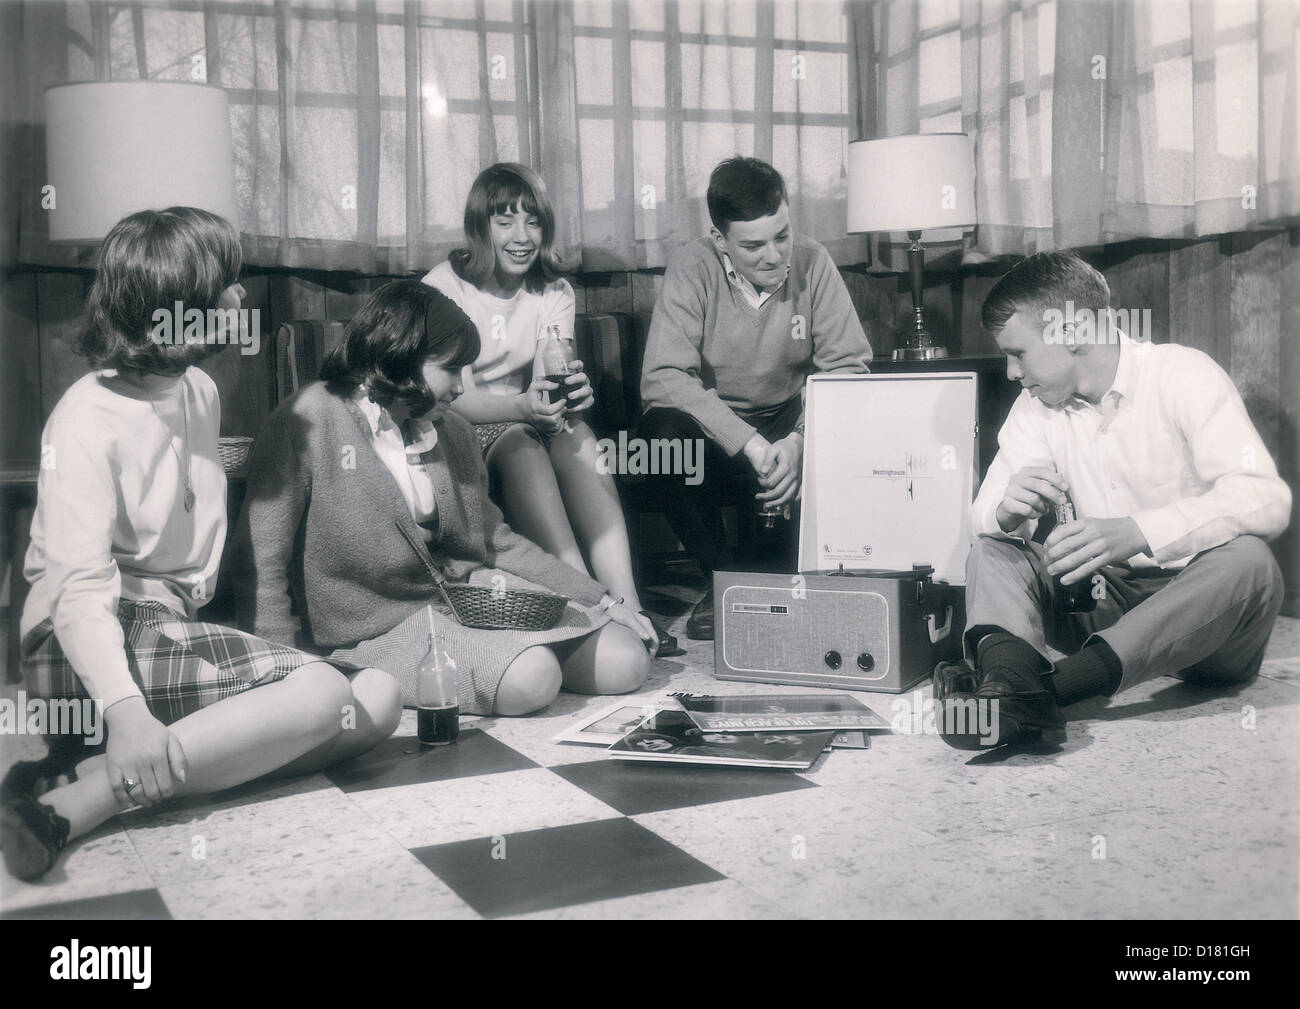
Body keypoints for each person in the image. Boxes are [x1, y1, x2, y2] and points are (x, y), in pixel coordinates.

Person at [0, 208, 400, 882]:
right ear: (174, 310)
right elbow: (76, 592)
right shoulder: (84, 418)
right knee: (321, 693)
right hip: (84, 641)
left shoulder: (201, 390)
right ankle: (82, 803)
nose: (242, 298)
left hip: (165, 629)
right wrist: (125, 710)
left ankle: (89, 777)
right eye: (226, 288)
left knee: (378, 702)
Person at [230, 280, 653, 718]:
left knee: (625, 660)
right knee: (533, 677)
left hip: (468, 599)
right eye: (452, 370)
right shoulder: (306, 420)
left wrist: (598, 598)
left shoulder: (452, 430)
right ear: (402, 353)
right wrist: (281, 670)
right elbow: (261, 556)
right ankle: (504, 658)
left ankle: (504, 655)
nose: (459, 387)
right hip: (375, 630)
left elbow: (497, 541)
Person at [935, 250, 1290, 750]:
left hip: (1208, 623)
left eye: (1019, 353)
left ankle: (1038, 695)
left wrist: (1139, 531)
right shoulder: (1034, 407)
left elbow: (1266, 498)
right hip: (1103, 606)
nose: (1012, 372)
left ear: (1074, 331)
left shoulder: (1183, 373)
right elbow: (983, 520)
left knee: (1252, 562)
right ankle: (1012, 684)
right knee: (992, 549)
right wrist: (1005, 510)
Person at [422, 163, 680, 658]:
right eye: (505, 222)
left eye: (533, 222)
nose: (522, 237)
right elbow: (455, 394)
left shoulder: (553, 291)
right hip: (457, 423)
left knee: (580, 437)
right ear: (480, 228)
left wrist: (569, 396)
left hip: (524, 415)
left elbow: (551, 370)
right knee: (521, 445)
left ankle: (631, 602)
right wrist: (524, 406)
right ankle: (588, 604)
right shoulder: (445, 286)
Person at [639, 157, 873, 639]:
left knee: (783, 571)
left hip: (789, 427)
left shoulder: (813, 261)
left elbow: (848, 368)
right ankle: (723, 582)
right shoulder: (692, 267)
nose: (773, 255)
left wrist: (802, 440)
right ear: (719, 239)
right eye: (752, 244)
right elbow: (663, 378)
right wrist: (748, 442)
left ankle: (766, 576)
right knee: (660, 439)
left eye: (782, 236)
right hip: (719, 437)